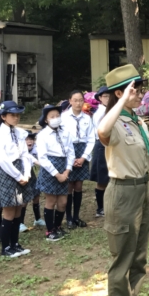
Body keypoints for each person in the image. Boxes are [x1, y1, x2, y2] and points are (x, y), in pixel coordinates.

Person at [97, 64, 149, 296]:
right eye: (134, 89)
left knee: (138, 254)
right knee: (122, 255)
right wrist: (119, 101)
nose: (139, 93)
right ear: (120, 93)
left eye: (139, 88)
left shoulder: (135, 120)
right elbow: (102, 132)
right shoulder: (115, 121)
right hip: (122, 191)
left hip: (140, 190)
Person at [0, 101, 33, 258]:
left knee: (18, 209)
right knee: (8, 210)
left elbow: (25, 155)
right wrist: (18, 176)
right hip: (7, 173)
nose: (16, 118)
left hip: (21, 170)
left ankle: (15, 244)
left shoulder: (19, 132)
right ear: (3, 116)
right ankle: (6, 247)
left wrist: (27, 173)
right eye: (12, 115)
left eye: (17, 115)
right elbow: (2, 160)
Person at [36, 105, 75, 242]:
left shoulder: (66, 132)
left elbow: (71, 152)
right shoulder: (42, 135)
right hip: (50, 169)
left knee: (63, 202)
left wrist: (67, 170)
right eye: (52, 117)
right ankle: (50, 230)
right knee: (51, 201)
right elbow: (42, 157)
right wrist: (56, 174)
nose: (55, 119)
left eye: (57, 116)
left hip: (64, 167)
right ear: (46, 120)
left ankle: (58, 226)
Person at [62, 90, 95, 229]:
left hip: (82, 151)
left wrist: (84, 157)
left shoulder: (87, 118)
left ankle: (76, 216)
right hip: (69, 150)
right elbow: (62, 139)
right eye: (75, 100)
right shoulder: (63, 117)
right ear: (70, 101)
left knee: (79, 185)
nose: (78, 103)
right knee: (69, 185)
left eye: (81, 100)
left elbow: (91, 139)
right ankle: (68, 217)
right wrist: (71, 157)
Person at [90, 86, 110, 217]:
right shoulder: (100, 112)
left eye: (110, 96)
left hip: (112, 145)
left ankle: (109, 205)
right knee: (102, 178)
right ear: (100, 98)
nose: (108, 99)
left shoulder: (113, 110)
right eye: (105, 96)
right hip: (101, 145)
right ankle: (100, 208)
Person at [24, 133, 45, 228]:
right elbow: (34, 160)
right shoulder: (20, 150)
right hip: (22, 174)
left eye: (31, 139)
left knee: (36, 195)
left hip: (31, 173)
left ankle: (37, 219)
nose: (29, 141)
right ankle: (20, 223)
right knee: (24, 199)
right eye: (27, 139)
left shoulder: (36, 148)